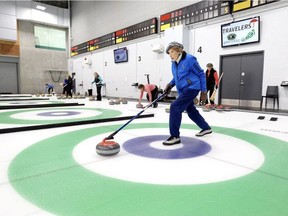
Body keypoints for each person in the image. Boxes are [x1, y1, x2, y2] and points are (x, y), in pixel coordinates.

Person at [163, 41, 212, 145]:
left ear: (179, 51)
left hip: (192, 87)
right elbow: (177, 77)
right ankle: (206, 128)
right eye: (169, 52)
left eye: (172, 52)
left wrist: (203, 91)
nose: (170, 54)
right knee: (191, 110)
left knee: (175, 107)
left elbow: (201, 74)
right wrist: (170, 85)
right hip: (183, 90)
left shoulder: (189, 59)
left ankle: (175, 136)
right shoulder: (174, 63)